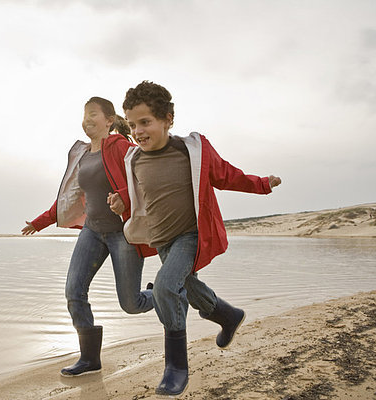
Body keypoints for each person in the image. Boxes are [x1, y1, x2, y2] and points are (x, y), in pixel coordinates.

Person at [109, 81, 282, 396]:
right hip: (160, 239)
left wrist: (261, 184)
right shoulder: (134, 159)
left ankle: (176, 367)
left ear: (168, 119)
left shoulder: (191, 150)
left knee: (164, 288)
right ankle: (228, 315)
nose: (138, 131)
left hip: (190, 236)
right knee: (188, 287)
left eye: (145, 122)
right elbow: (139, 192)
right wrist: (122, 199)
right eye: (132, 124)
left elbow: (226, 174)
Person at [21, 96, 157, 377]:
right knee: (74, 292)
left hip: (123, 234)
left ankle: (159, 294)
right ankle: (89, 359)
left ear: (109, 120)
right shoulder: (82, 155)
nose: (87, 120)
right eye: (84, 115)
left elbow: (144, 176)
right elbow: (71, 198)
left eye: (93, 114)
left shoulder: (121, 146)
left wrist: (122, 197)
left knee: (131, 304)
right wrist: (40, 222)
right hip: (92, 232)